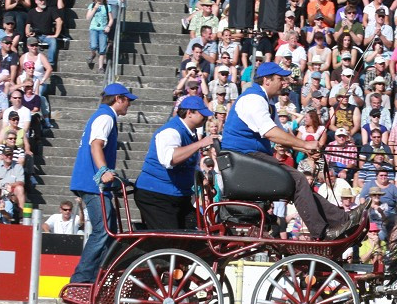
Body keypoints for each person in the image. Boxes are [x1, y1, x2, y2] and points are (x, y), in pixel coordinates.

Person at [221, 62, 366, 240]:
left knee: (298, 184)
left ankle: (342, 219)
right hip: (242, 161)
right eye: (280, 79)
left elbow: (282, 135)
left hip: (250, 159)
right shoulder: (253, 99)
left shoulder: (267, 102)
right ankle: (322, 232)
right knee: (297, 179)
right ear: (267, 80)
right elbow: (271, 133)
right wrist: (305, 145)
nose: (285, 83)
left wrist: (306, 150)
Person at [69, 83, 137, 284]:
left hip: (91, 182)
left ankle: (100, 277)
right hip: (93, 184)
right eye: (127, 101)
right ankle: (82, 278)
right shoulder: (106, 117)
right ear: (118, 99)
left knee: (111, 232)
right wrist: (103, 171)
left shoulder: (103, 116)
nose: (129, 105)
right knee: (103, 231)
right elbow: (96, 145)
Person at [135, 96, 216, 230]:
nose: (205, 117)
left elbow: (190, 164)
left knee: (201, 232)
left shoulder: (191, 133)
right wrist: (200, 144)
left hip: (177, 196)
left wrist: (203, 181)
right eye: (202, 114)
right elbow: (170, 159)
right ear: (189, 113)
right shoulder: (171, 131)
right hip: (157, 196)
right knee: (171, 242)